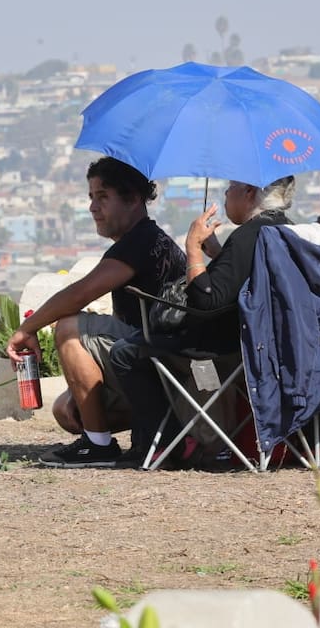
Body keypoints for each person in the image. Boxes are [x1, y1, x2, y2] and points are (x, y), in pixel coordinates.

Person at [4, 156, 184, 467]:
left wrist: (27, 328)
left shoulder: (141, 240)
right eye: (91, 197)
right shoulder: (147, 239)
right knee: (66, 410)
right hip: (154, 365)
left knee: (70, 326)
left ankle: (98, 446)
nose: (93, 208)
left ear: (133, 199)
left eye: (103, 197)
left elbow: (82, 292)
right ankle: (130, 429)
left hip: (165, 366)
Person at [110, 175, 296, 465]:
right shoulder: (284, 230)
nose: (225, 193)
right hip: (265, 345)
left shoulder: (248, 235)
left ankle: (174, 441)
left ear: (248, 192)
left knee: (125, 353)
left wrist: (193, 248)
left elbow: (207, 301)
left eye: (231, 188)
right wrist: (218, 253)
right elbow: (242, 279)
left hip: (224, 348)